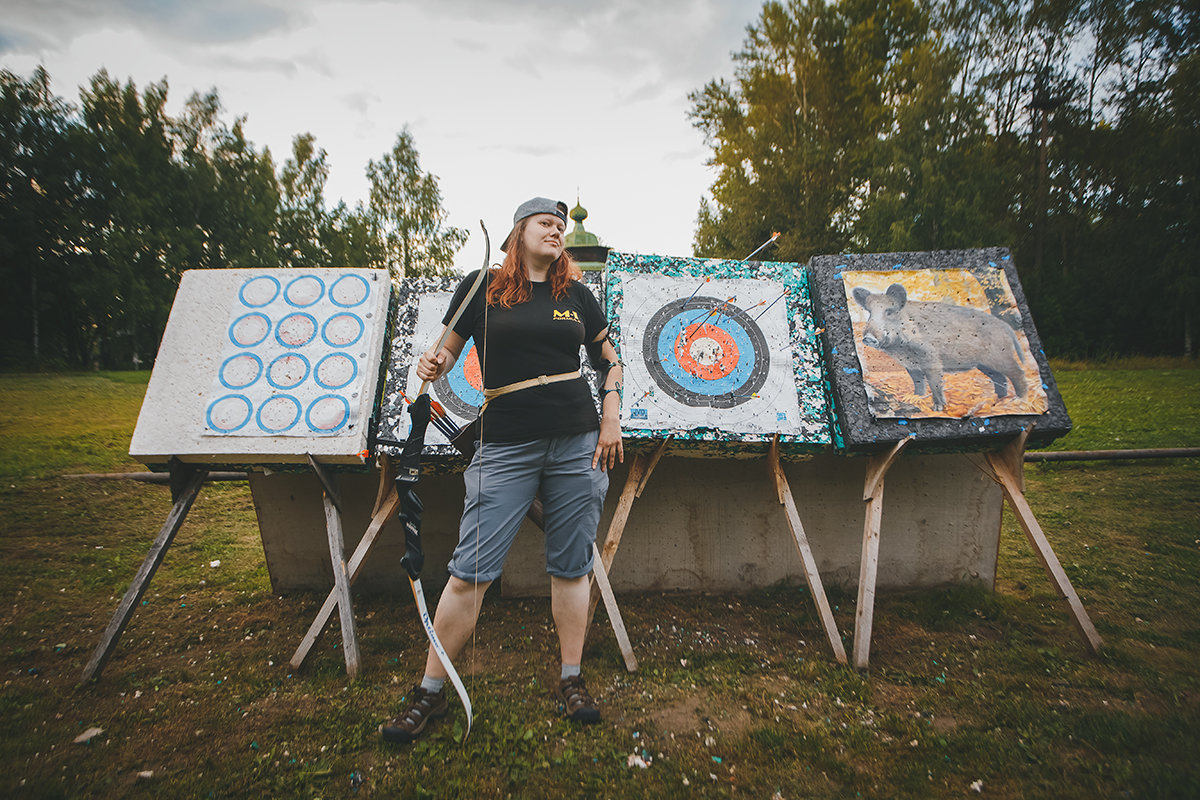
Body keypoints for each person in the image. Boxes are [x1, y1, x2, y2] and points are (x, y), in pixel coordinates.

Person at [381, 197, 624, 743]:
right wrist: (432, 364)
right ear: (518, 233)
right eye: (546, 223)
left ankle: (571, 678)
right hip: (506, 443)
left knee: (570, 563)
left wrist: (610, 417)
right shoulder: (481, 288)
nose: (557, 231)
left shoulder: (576, 296)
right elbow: (444, 354)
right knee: (470, 570)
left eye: (561, 226)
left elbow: (611, 360)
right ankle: (431, 692)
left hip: (577, 440)